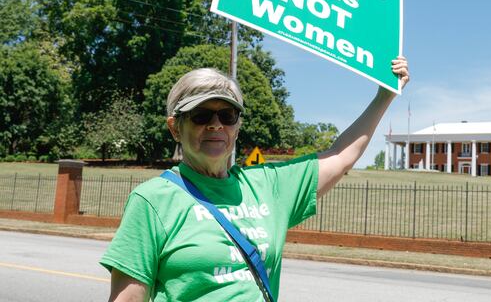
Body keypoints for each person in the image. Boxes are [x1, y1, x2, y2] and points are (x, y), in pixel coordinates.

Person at [101, 56, 409, 302]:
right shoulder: (152, 200)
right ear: (174, 127)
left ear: (237, 126)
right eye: (201, 115)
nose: (215, 125)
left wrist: (385, 95)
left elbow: (340, 157)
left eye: (227, 116)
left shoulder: (268, 186)